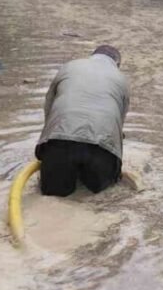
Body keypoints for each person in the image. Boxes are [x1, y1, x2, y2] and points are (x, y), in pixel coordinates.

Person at [36, 45, 130, 197]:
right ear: (117, 63)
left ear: (91, 55)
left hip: (59, 141)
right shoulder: (121, 79)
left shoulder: (69, 67)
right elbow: (118, 127)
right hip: (101, 149)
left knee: (52, 196)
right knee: (100, 197)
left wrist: (47, 148)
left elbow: (49, 108)